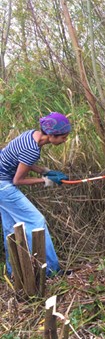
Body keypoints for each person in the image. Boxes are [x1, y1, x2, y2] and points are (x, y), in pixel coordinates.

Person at [0, 112, 71, 276]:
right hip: (4, 186)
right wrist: (45, 180)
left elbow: (23, 161)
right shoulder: (33, 149)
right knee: (36, 221)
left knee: (11, 229)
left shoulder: (31, 135)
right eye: (63, 137)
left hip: (2, 182)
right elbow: (18, 180)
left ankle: (14, 272)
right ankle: (51, 271)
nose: (65, 140)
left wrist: (45, 171)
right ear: (52, 135)